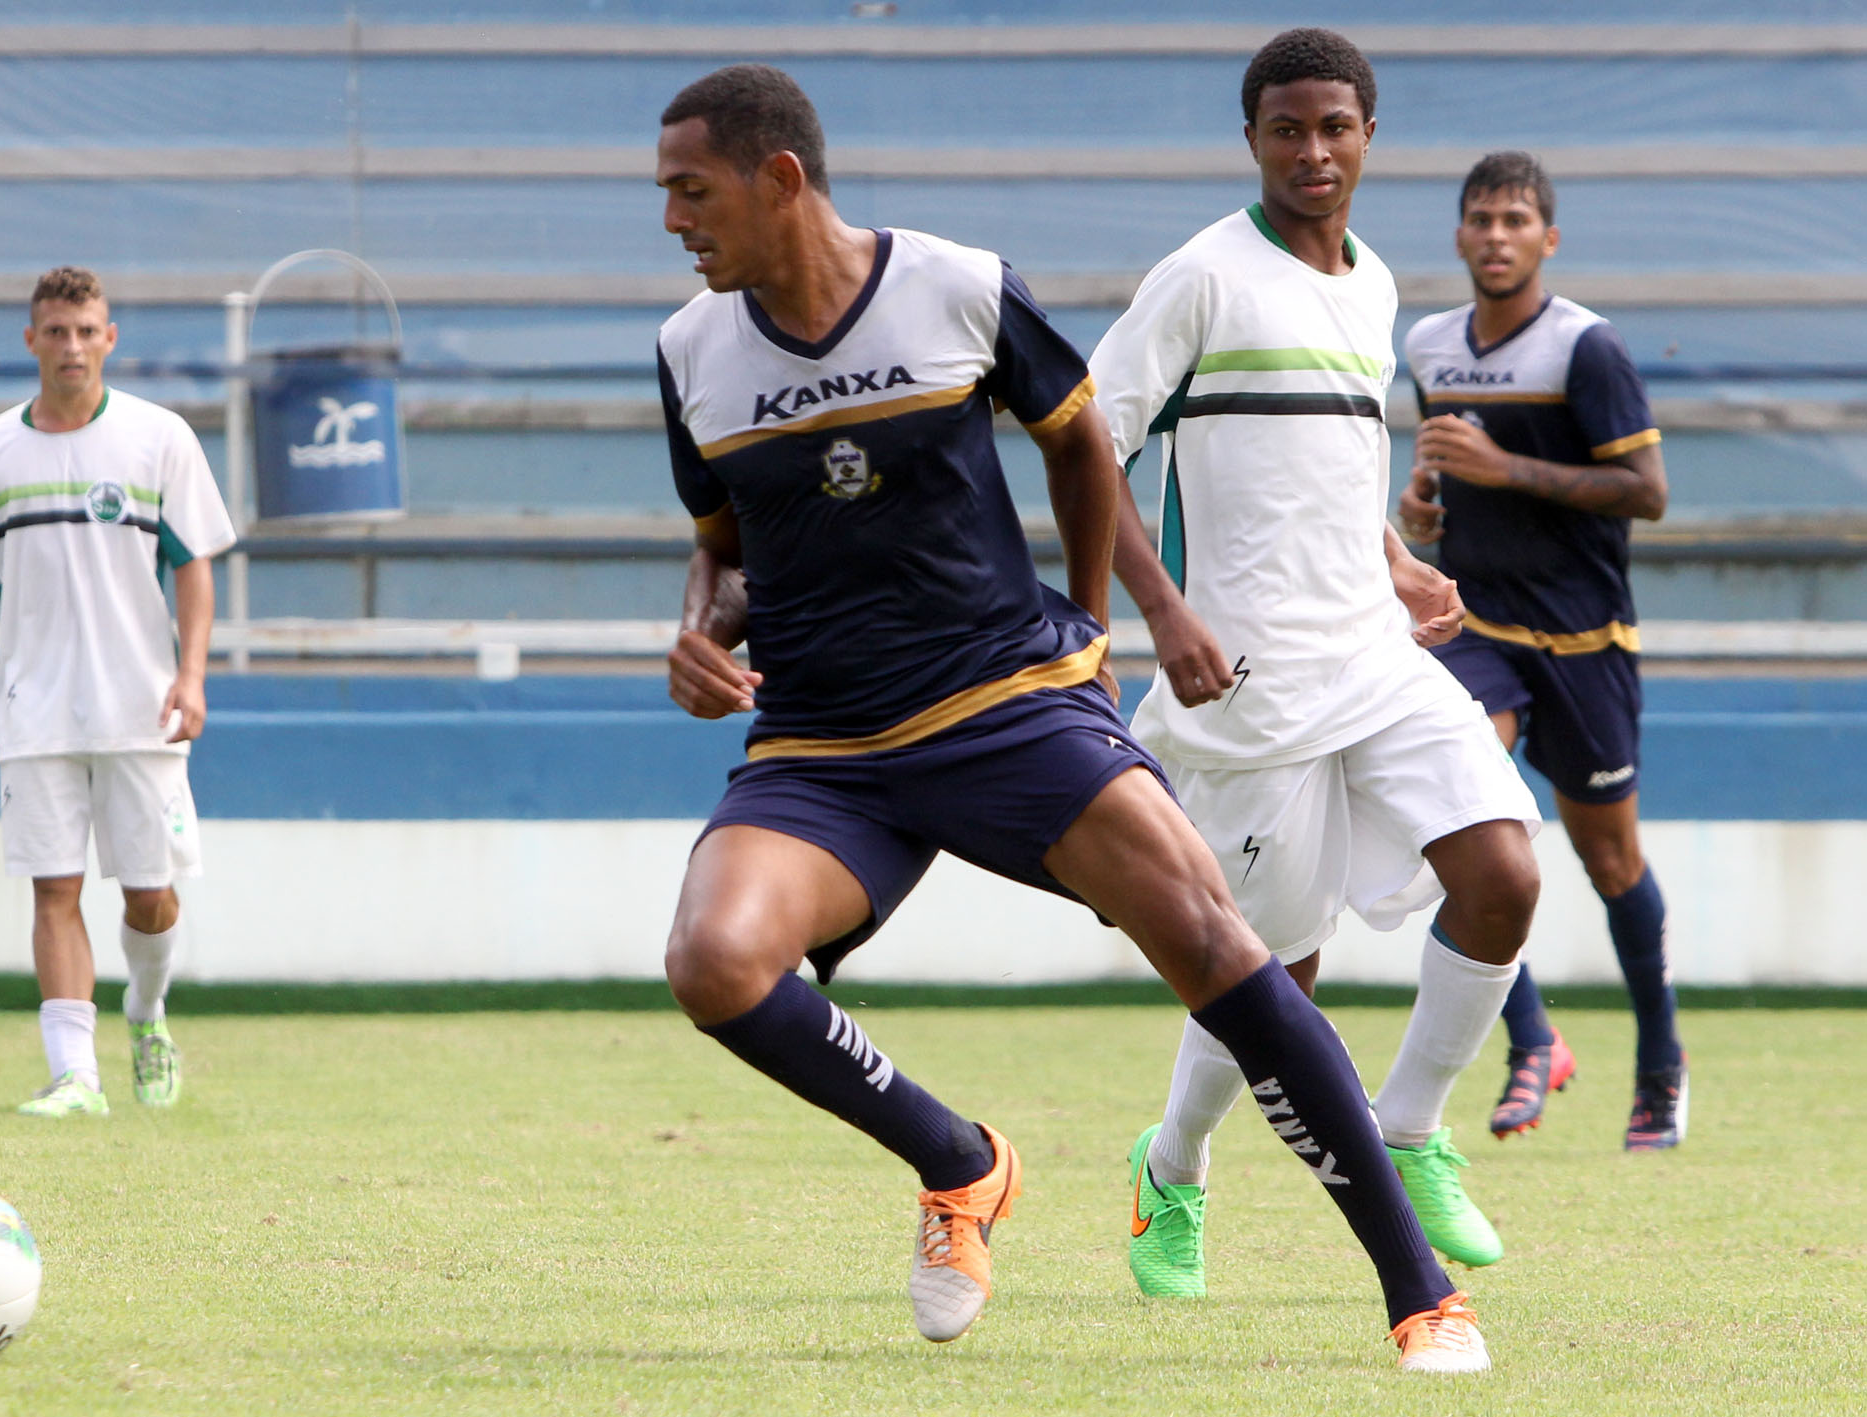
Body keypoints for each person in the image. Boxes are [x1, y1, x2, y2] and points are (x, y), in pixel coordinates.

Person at [655, 61, 1487, 1372]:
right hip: (823, 747)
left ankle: (1419, 1289)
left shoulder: (954, 288)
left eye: (689, 192)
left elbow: (1079, 441)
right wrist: (699, 631)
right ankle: (959, 1162)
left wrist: (1093, 632)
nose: (669, 221)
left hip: (1002, 702)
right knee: (710, 963)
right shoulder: (687, 349)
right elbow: (722, 544)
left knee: (1213, 940)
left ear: (780, 180)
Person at [1089, 28, 1546, 1304]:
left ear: (1366, 136)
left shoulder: (1371, 285)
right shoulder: (1197, 278)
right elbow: (1083, 448)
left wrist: (1396, 560)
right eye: (1285, 129)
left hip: (1372, 649)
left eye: (1334, 126)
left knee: (1503, 867)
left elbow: (1333, 465)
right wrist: (1161, 612)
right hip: (1242, 689)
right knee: (1268, 979)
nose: (1312, 151)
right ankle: (1169, 1161)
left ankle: (1406, 1125)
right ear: (1251, 139)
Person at [1400, 151, 1685, 1150]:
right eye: (1478, 218)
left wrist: (1501, 466)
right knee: (1459, 813)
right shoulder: (1428, 345)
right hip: (1477, 630)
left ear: (1545, 239)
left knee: (1609, 860)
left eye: (1514, 219)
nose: (1494, 235)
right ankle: (1531, 1039)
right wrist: (1422, 502)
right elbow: (1440, 478)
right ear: (1457, 234)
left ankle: (1658, 1065)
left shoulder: (1584, 349)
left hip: (1584, 640)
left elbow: (1645, 491)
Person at [0, 265, 236, 1118]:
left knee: (150, 894)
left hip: (142, 708)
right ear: (31, 340)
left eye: (87, 330)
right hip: (33, 708)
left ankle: (146, 1013)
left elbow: (194, 565)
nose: (72, 346)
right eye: (56, 331)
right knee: (54, 887)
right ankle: (77, 1075)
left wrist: (191, 674)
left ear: (110, 338)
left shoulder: (159, 437)